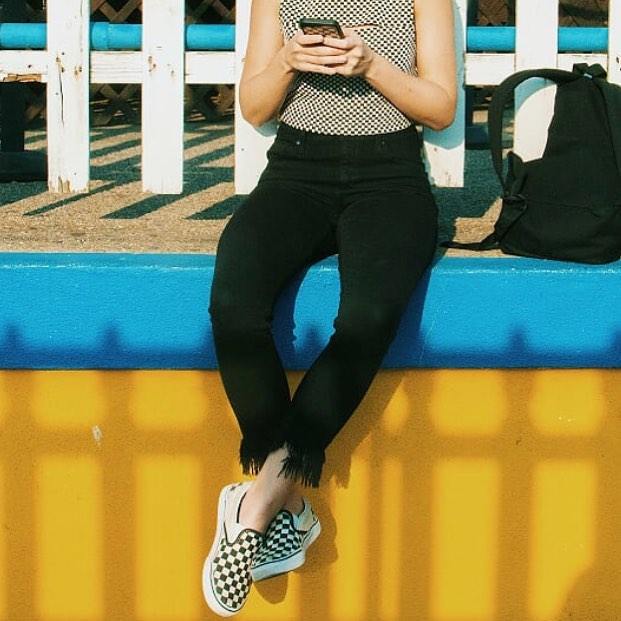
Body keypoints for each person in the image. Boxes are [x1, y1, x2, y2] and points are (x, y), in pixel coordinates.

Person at [203, 0, 457, 615]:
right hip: (294, 172)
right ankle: (286, 505)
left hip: (391, 178)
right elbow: (256, 106)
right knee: (234, 305)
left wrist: (370, 63)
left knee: (368, 317)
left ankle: (258, 501)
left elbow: (441, 107)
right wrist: (289, 59)